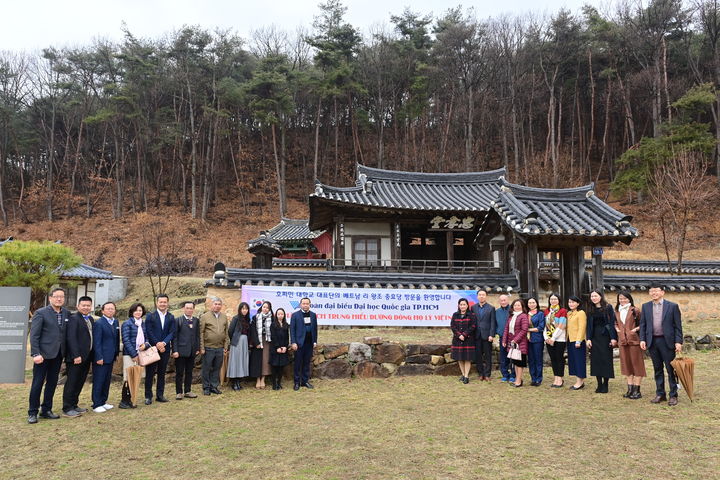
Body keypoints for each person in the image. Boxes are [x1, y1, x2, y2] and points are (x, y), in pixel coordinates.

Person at [28, 288, 71, 424]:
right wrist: (36, 353)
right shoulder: (41, 313)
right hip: (43, 355)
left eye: (62, 297)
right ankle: (32, 412)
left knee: (52, 383)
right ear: (50, 298)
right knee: (37, 384)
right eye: (57, 296)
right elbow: (34, 335)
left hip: (58, 355)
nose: (59, 299)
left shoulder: (66, 313)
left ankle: (46, 410)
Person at [640, 283, 683, 406]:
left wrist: (678, 341)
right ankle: (660, 393)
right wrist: (642, 339)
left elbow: (678, 326)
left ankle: (673, 395)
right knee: (657, 369)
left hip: (667, 341)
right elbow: (643, 325)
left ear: (662, 292)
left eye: (656, 291)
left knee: (670, 369)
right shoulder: (646, 306)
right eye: (651, 291)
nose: (654, 293)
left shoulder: (672, 306)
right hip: (653, 341)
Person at [62, 295, 94, 417]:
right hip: (76, 358)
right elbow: (71, 338)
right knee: (72, 382)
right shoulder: (74, 318)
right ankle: (67, 407)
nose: (86, 307)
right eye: (83, 305)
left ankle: (74, 404)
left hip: (86, 357)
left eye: (88, 305)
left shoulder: (90, 319)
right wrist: (76, 355)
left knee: (80, 382)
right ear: (78, 306)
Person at [144, 294, 175, 405]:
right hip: (152, 348)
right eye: (161, 302)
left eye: (165, 302)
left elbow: (172, 332)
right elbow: (149, 331)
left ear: (167, 303)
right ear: (157, 303)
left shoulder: (171, 317)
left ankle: (160, 395)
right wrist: (157, 343)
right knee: (150, 373)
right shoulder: (150, 316)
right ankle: (148, 396)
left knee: (162, 373)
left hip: (164, 349)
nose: (163, 304)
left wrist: (163, 343)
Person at [615, 291, 646, 399]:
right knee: (626, 365)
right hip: (623, 341)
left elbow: (643, 324)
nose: (622, 300)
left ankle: (637, 390)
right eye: (620, 299)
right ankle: (630, 389)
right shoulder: (617, 311)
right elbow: (615, 322)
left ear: (629, 299)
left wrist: (634, 330)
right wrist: (617, 329)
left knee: (637, 365)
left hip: (634, 341)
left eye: (624, 298)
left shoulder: (635, 310)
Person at [120, 302, 151, 409]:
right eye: (136, 310)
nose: (138, 312)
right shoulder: (127, 323)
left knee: (136, 377)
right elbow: (126, 340)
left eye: (140, 310)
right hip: (129, 354)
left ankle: (133, 399)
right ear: (132, 312)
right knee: (128, 377)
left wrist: (146, 345)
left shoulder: (143, 323)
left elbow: (147, 338)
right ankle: (124, 401)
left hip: (141, 353)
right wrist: (133, 354)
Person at [587, 290, 618, 394]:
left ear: (600, 296)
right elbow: (589, 325)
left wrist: (613, 338)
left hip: (606, 336)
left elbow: (612, 322)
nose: (594, 298)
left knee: (606, 360)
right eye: (592, 296)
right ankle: (599, 384)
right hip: (595, 336)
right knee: (596, 361)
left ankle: (605, 384)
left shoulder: (608, 307)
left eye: (596, 296)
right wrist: (588, 338)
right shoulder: (590, 308)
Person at [91, 302, 120, 413]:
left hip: (111, 356)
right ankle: (96, 403)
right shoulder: (99, 323)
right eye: (108, 309)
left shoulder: (115, 322)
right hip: (101, 357)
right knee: (99, 380)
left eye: (112, 309)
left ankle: (103, 401)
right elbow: (97, 342)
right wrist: (98, 356)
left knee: (106, 380)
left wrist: (116, 354)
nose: (110, 311)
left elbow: (117, 339)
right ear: (103, 311)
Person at [199, 297, 229, 395]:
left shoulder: (224, 317)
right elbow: (201, 333)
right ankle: (206, 387)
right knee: (207, 368)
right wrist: (202, 347)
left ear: (221, 306)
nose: (217, 306)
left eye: (219, 304)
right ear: (212, 305)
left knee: (217, 368)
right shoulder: (205, 316)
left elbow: (226, 333)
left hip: (219, 348)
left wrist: (225, 347)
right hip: (208, 347)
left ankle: (214, 386)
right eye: (215, 304)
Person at [173, 301, 201, 399]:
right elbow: (175, 337)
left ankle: (188, 391)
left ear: (193, 309)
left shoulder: (196, 321)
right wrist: (175, 350)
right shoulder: (178, 320)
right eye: (187, 308)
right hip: (180, 351)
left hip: (192, 351)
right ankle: (179, 392)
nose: (189, 310)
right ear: (183, 309)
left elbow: (197, 335)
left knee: (189, 372)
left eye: (191, 308)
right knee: (180, 372)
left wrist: (197, 348)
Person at [290, 297, 318, 391]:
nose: (305, 305)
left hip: (309, 343)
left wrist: (315, 341)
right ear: (301, 304)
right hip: (298, 343)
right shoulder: (295, 315)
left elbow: (315, 329)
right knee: (298, 363)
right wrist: (293, 342)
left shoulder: (313, 315)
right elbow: (292, 330)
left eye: (307, 303)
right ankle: (296, 382)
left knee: (306, 363)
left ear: (310, 304)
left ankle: (305, 381)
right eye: (303, 303)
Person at [502, 298, 529, 387]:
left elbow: (524, 330)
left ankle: (518, 381)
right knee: (515, 362)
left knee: (519, 363)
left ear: (522, 307)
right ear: (512, 307)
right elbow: (506, 328)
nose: (517, 307)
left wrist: (515, 340)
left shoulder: (523, 316)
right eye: (515, 305)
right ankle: (518, 379)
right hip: (511, 342)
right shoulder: (511, 316)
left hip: (520, 343)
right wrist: (504, 340)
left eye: (518, 305)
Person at [543, 293, 568, 388]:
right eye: (551, 299)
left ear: (559, 300)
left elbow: (562, 326)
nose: (553, 301)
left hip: (559, 339)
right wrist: (546, 338)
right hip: (549, 339)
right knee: (553, 359)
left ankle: (560, 379)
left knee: (559, 358)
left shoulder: (562, 311)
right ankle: (555, 378)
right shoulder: (546, 312)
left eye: (555, 299)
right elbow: (545, 326)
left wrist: (553, 338)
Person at [450, 298, 477, 384]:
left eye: (464, 304)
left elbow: (473, 326)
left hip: (468, 340)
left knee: (467, 358)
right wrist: (459, 335)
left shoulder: (471, 315)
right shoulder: (455, 315)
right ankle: (463, 374)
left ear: (467, 305)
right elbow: (452, 326)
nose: (462, 306)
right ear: (458, 305)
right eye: (461, 304)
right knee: (460, 358)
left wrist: (464, 334)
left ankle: (466, 376)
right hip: (457, 340)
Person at [471, 289, 495, 381]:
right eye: (480, 295)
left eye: (483, 295)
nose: (481, 296)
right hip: (476, 335)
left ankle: (487, 374)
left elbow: (493, 323)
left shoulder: (491, 308)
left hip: (487, 336)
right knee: (478, 356)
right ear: (477, 296)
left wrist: (491, 335)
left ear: (486, 296)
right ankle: (480, 373)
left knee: (488, 356)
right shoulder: (473, 308)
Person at [227, 302, 251, 391]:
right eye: (243, 308)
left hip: (245, 342)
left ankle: (238, 381)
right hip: (237, 342)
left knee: (242, 361)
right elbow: (230, 331)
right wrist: (234, 339)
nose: (244, 310)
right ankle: (234, 382)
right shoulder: (236, 318)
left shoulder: (247, 319)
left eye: (246, 309)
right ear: (240, 309)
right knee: (236, 361)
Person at [249, 301, 273, 389]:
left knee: (265, 360)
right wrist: (256, 343)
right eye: (264, 307)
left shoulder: (272, 318)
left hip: (267, 341)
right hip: (258, 341)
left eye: (267, 307)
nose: (265, 309)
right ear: (261, 307)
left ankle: (263, 378)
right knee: (257, 360)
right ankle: (257, 379)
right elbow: (253, 330)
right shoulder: (256, 317)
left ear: (269, 309)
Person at [566, 295, 587, 391]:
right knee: (573, 361)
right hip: (570, 340)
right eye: (569, 302)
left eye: (573, 302)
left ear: (578, 303)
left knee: (579, 361)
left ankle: (580, 382)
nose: (571, 304)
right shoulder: (569, 313)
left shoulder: (581, 313)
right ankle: (579, 381)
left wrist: (579, 340)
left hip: (578, 341)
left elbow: (582, 327)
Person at [526, 297, 546, 386]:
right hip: (527, 340)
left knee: (538, 359)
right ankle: (533, 378)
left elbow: (541, 327)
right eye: (529, 303)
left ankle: (538, 378)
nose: (531, 304)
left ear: (536, 303)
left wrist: (528, 330)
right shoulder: (526, 314)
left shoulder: (540, 314)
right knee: (531, 360)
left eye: (533, 302)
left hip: (537, 339)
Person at [269, 308, 290, 390]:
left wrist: (285, 346)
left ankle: (279, 383)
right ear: (276, 315)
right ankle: (274, 384)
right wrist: (278, 347)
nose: (280, 316)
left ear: (284, 315)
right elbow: (273, 337)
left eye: (282, 314)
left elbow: (287, 337)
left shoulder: (286, 325)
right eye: (278, 314)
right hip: (275, 348)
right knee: (275, 366)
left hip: (283, 349)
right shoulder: (273, 324)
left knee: (281, 366)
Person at [494, 294, 512, 382]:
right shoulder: (497, 312)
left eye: (505, 300)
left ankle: (513, 374)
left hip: (512, 337)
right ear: (499, 302)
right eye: (501, 300)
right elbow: (495, 324)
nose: (503, 302)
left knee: (512, 356)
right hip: (502, 337)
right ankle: (505, 374)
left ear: (508, 300)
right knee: (503, 356)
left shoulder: (512, 310)